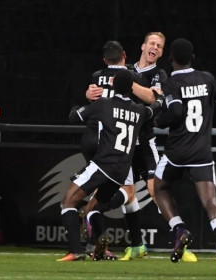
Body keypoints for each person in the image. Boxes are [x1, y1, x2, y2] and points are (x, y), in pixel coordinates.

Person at [57, 69, 164, 261]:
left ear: (112, 84)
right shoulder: (138, 111)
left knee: (68, 201)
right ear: (131, 87)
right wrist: (160, 100)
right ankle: (99, 241)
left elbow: (74, 118)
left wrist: (75, 106)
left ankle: (76, 250)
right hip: (121, 173)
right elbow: (153, 109)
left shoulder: (103, 104)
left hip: (102, 165)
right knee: (94, 209)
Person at [153, 38, 216, 276]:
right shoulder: (207, 78)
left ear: (170, 59)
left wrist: (159, 120)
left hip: (177, 151)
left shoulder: (171, 81)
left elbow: (176, 111)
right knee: (211, 201)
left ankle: (179, 230)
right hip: (201, 151)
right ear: (193, 57)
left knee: (159, 188)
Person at [80, 40, 155, 260]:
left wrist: (85, 98)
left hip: (93, 138)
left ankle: (106, 243)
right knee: (127, 192)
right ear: (125, 54)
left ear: (104, 60)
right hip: (116, 144)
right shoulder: (130, 77)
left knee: (102, 191)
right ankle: (90, 216)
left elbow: (88, 103)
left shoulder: (95, 77)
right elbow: (145, 101)